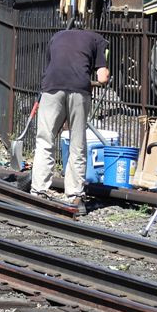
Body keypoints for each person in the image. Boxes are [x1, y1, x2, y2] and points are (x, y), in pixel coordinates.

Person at [31, 27, 110, 205]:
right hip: (79, 89)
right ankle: (75, 195)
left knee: (45, 139)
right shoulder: (97, 40)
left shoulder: (56, 36)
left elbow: (52, 64)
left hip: (51, 87)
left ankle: (38, 191)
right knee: (77, 141)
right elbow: (103, 77)